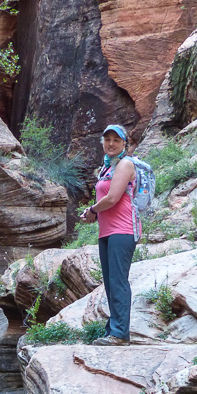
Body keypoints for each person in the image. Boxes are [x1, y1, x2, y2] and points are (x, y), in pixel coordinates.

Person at [80, 124, 138, 346]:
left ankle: (120, 333)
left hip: (123, 231)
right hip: (107, 232)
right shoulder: (106, 168)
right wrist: (93, 213)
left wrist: (93, 210)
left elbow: (113, 198)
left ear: (125, 144)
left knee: (118, 281)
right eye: (107, 139)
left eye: (116, 140)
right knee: (111, 282)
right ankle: (113, 330)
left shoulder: (125, 164)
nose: (111, 144)